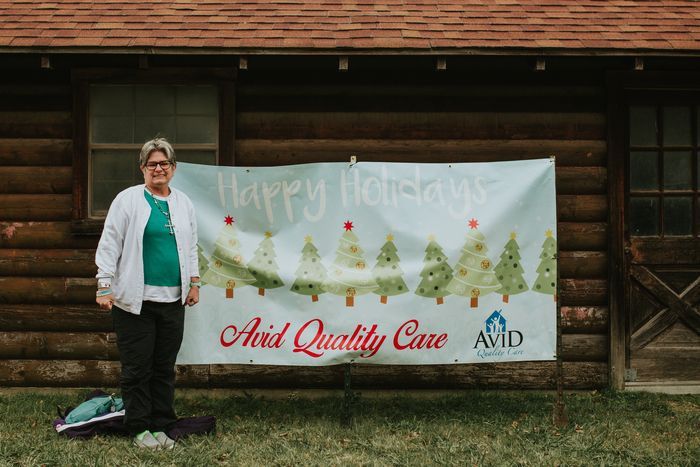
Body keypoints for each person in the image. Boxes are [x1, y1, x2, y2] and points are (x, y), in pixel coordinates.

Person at [95, 137, 200, 450]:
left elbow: (191, 245)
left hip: (173, 301)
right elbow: (110, 241)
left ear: (173, 168)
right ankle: (140, 428)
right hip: (133, 302)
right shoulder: (128, 200)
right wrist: (104, 284)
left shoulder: (183, 203)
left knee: (164, 367)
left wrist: (194, 282)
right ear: (142, 168)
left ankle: (162, 424)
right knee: (138, 368)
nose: (158, 168)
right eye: (152, 163)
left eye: (164, 163)